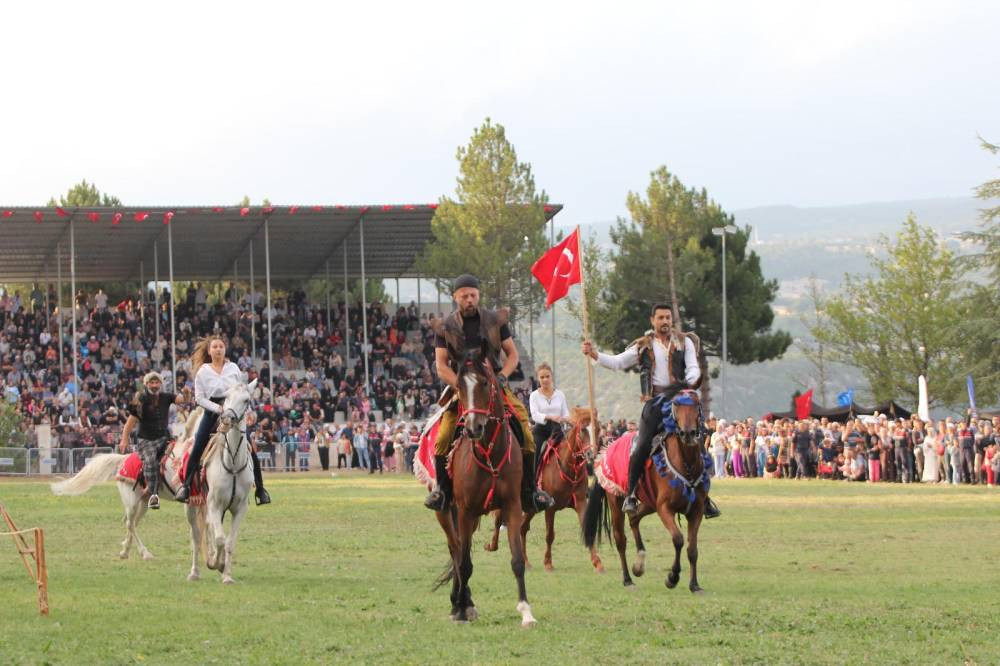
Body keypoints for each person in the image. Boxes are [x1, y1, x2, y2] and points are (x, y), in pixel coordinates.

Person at [423, 274, 554, 513]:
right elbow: (441, 366)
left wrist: (502, 376)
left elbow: (512, 354)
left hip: (494, 385)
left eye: (473, 295)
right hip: (461, 389)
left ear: (478, 295)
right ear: (455, 297)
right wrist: (461, 386)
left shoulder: (495, 321)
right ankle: (442, 490)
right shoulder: (445, 328)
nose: (470, 299)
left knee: (524, 426)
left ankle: (531, 490)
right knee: (443, 437)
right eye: (464, 296)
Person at [581, 303, 720, 518]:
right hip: (654, 404)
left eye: (668, 318)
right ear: (652, 320)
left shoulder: (685, 343)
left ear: (671, 320)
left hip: (681, 401)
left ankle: (704, 497)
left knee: (698, 442)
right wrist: (595, 354)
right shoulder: (643, 345)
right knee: (642, 445)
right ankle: (631, 494)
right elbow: (618, 362)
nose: (664, 321)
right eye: (660, 318)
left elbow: (693, 368)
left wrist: (688, 387)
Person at [175, 336, 271, 505]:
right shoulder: (203, 371)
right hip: (212, 413)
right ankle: (186, 486)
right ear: (209, 351)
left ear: (225, 349)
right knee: (197, 446)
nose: (218, 349)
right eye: (215, 347)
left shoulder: (233, 368)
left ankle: (260, 490)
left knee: (249, 448)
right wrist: (218, 409)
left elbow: (242, 392)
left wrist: (242, 412)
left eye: (221, 346)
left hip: (232, 414)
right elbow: (199, 398)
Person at [118, 372, 190, 509]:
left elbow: (183, 400)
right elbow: (130, 422)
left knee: (182, 455)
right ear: (146, 384)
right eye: (152, 383)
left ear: (160, 384)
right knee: (151, 462)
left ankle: (184, 487)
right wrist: (124, 439)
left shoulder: (166, 397)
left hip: (164, 438)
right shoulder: (140, 399)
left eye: (157, 383)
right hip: (146, 440)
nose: (155, 385)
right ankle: (153, 495)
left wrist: (186, 393)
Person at [528, 362, 570, 476]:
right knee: (535, 453)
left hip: (557, 429)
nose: (545, 379)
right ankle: (534, 482)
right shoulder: (534, 395)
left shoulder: (560, 394)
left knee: (571, 450)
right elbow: (535, 415)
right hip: (541, 429)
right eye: (542, 377)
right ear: (538, 379)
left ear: (552, 377)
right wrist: (550, 417)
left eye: (547, 376)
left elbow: (566, 413)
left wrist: (564, 419)